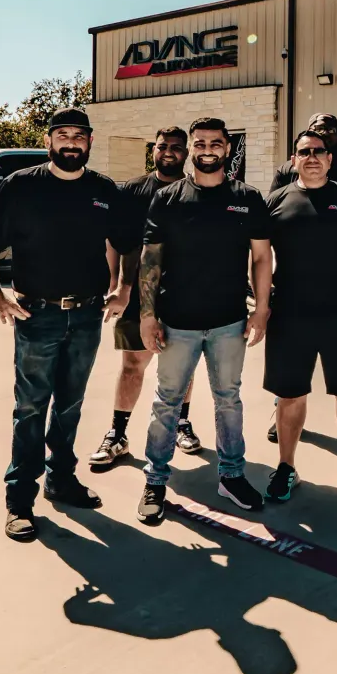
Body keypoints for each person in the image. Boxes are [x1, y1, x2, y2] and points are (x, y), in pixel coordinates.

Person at [0, 108, 133, 541]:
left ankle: (62, 479)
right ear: (49, 141)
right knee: (30, 408)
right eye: (63, 135)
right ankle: (19, 500)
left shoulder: (102, 190)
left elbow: (128, 241)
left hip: (86, 315)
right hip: (37, 315)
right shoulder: (22, 186)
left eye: (79, 136)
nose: (71, 143)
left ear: (90, 143)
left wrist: (124, 287)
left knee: (70, 404)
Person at [135, 117, 273, 523]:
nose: (207, 149)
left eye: (216, 142)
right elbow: (150, 259)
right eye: (200, 143)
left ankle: (231, 475)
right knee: (167, 402)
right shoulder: (169, 198)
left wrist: (261, 309)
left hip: (230, 320)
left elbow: (262, 258)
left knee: (228, 399)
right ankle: (156, 479)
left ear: (228, 148)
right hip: (178, 320)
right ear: (191, 148)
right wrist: (147, 315)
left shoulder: (247, 197)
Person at [264, 128, 337, 502]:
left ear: (331, 158)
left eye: (319, 151)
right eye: (304, 152)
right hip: (289, 315)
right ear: (294, 159)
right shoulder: (277, 202)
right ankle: (286, 467)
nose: (312, 157)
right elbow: (261, 256)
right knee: (289, 396)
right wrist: (262, 304)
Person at [88, 127, 197, 470]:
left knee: (184, 367)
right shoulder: (133, 191)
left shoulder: (198, 191)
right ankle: (117, 434)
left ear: (187, 153)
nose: (169, 152)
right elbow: (119, 243)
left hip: (185, 295)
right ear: (153, 150)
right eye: (163, 146)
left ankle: (182, 422)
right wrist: (119, 287)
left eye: (177, 147)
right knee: (133, 366)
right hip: (138, 295)